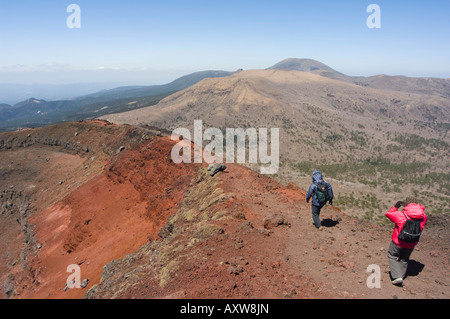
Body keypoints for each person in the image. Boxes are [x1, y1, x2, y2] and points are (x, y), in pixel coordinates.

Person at [385, 200, 427, 286]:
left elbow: (388, 214)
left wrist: (395, 206)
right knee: (404, 259)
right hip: (411, 243)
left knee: (392, 256)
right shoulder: (423, 218)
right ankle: (401, 276)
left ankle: (397, 277)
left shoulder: (401, 215)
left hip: (398, 242)